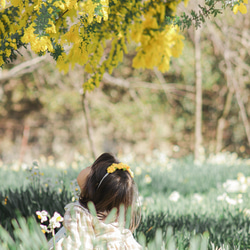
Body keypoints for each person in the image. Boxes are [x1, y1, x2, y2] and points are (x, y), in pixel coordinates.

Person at [54, 152, 142, 250]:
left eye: (90, 166)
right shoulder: (117, 221)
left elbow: (77, 245)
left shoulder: (79, 213)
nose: (86, 167)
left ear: (89, 185)